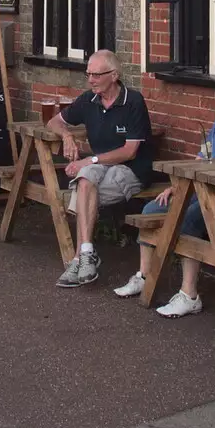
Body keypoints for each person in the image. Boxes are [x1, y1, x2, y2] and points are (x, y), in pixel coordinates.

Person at [111, 65, 215, 315]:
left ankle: (189, 294)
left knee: (189, 220)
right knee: (150, 210)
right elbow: (203, 156)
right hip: (202, 190)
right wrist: (177, 188)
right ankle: (144, 276)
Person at [48, 50, 155, 288]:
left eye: (96, 74)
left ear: (114, 75)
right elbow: (53, 121)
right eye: (88, 74)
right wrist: (66, 135)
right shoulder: (89, 100)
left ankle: (78, 258)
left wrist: (90, 161)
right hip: (100, 166)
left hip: (131, 169)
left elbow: (130, 152)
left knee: (83, 189)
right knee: (85, 181)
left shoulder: (133, 101)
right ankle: (87, 253)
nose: (91, 79)